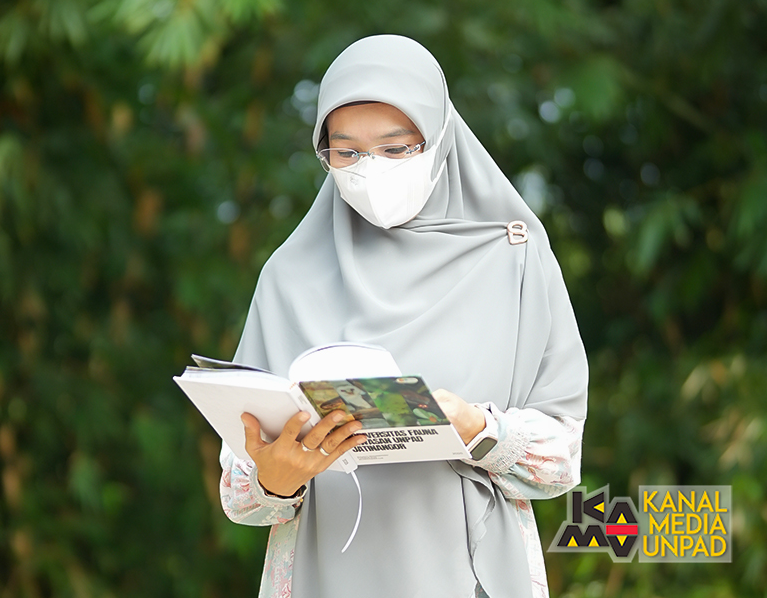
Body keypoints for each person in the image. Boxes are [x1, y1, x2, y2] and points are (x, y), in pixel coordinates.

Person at [219, 35, 588, 598]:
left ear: (439, 139)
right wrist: (275, 478)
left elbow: (562, 462)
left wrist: (476, 428)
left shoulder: (513, 257)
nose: (370, 169)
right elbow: (238, 493)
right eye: (346, 152)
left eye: (396, 149)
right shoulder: (288, 277)